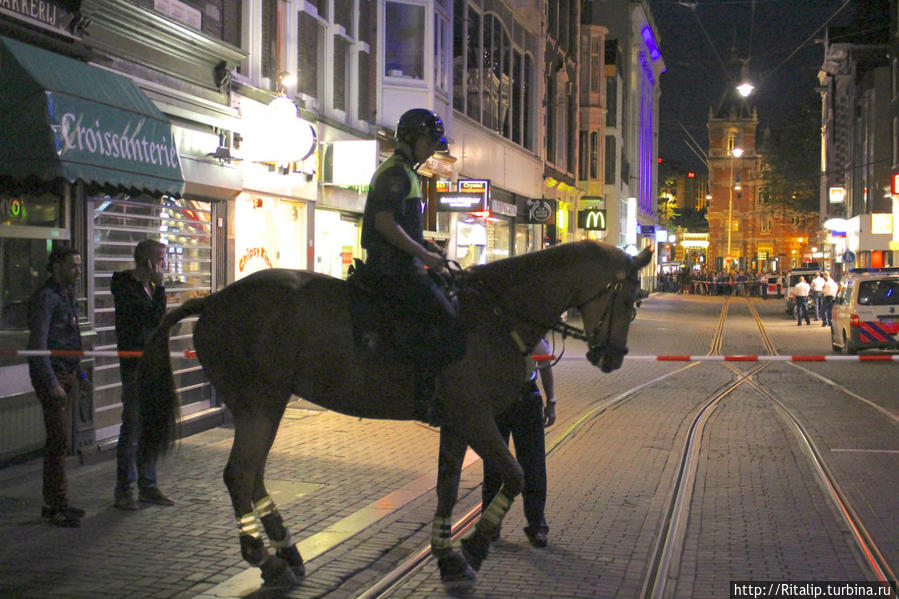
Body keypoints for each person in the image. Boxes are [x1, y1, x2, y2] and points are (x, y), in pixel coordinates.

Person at [360, 108, 462, 424]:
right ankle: (425, 397)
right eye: (429, 142)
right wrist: (422, 253)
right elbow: (385, 223)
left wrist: (429, 247)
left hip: (406, 264)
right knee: (444, 317)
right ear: (411, 138)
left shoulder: (407, 172)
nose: (432, 150)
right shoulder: (395, 173)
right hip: (393, 269)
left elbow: (404, 225)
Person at [112, 240, 174, 510]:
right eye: (160, 260)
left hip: (153, 365)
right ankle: (124, 489)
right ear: (146, 261)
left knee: (149, 426)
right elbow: (153, 318)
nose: (164, 265)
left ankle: (148, 486)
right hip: (135, 367)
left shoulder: (149, 288)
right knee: (133, 427)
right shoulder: (125, 286)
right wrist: (160, 288)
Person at [27, 246, 87, 527]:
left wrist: (79, 374)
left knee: (61, 442)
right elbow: (38, 346)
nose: (78, 271)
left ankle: (59, 501)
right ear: (57, 267)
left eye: (79, 265)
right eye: (73, 266)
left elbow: (71, 335)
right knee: (58, 440)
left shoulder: (68, 296)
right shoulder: (46, 298)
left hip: (68, 373)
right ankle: (54, 505)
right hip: (55, 376)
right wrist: (52, 383)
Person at [482, 339, 556, 548]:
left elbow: (545, 365)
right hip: (498, 401)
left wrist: (551, 402)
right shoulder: (494, 328)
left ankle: (537, 525)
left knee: (533, 466)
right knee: (495, 466)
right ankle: (491, 524)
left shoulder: (532, 331)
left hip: (526, 400)